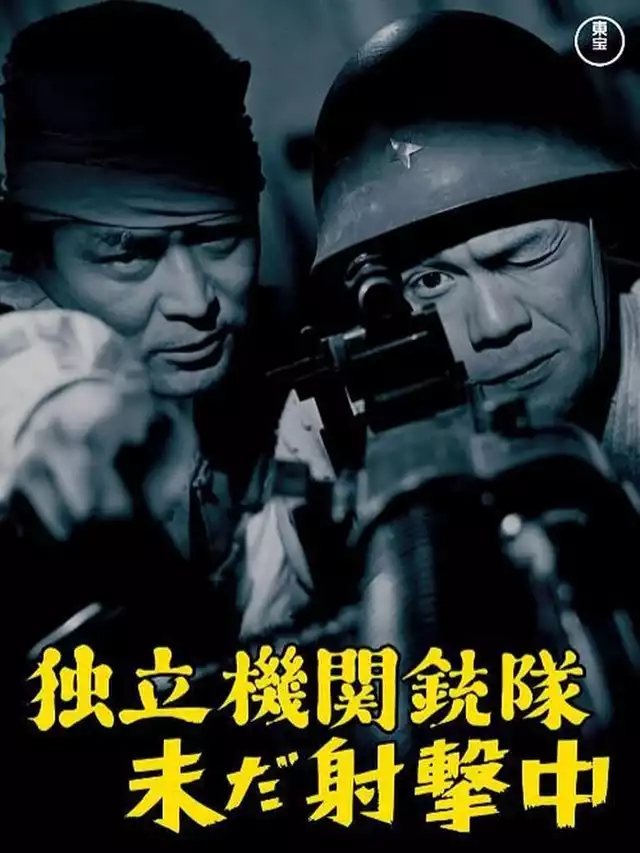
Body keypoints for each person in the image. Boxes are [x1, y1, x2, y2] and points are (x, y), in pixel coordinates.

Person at [0, 1, 333, 647]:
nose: (194, 300)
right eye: (129, 254)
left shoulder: (280, 369)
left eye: (218, 238)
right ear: (35, 254)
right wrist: (53, 411)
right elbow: (26, 369)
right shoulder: (26, 360)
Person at [308, 10, 639, 493]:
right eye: (431, 282)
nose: (494, 323)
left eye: (523, 254)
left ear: (601, 226)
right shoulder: (332, 447)